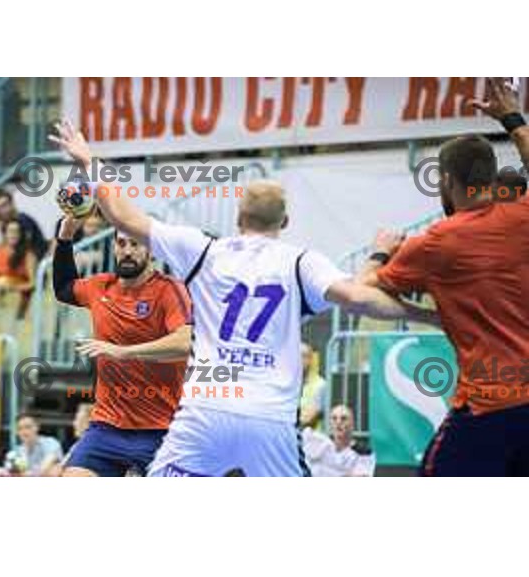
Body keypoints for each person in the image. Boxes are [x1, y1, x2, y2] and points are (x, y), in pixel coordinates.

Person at [51, 121, 438, 477]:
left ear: (238, 217)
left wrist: (88, 161)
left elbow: (124, 217)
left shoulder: (205, 251)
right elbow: (359, 297)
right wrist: (391, 270)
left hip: (206, 411)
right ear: (284, 223)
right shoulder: (301, 261)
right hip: (269, 418)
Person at [360, 78, 529, 476]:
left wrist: (380, 251)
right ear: (491, 176)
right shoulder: (522, 216)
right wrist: (513, 120)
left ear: (446, 182)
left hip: (489, 408)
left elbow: (361, 292)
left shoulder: (436, 243)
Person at [52, 213, 192, 476]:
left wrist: (123, 352)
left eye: (135, 245)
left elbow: (186, 341)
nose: (127, 251)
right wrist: (65, 238)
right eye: (121, 244)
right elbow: (63, 288)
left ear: (152, 251)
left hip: (161, 430)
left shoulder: (170, 290)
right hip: (106, 428)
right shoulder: (101, 287)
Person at [301, 405, 376, 477]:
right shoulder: (318, 442)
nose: (338, 422)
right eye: (334, 418)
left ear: (353, 424)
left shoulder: (363, 453)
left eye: (343, 418)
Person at [0, 219, 36, 312]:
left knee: (3, 281)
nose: (13, 235)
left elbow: (33, 283)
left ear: (21, 234)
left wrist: (13, 287)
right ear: (5, 234)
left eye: (16, 232)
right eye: (10, 231)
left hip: (17, 293)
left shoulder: (28, 255)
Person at [0, 189, 47, 259]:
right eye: (0, 207)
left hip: (37, 260)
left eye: (5, 204)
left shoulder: (23, 220)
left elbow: (27, 247)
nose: (5, 209)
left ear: (11, 204)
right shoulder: (3, 226)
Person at [298, 343, 327, 431]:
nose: (299, 360)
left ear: (311, 360)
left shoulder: (320, 385)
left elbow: (308, 419)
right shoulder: (287, 384)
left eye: (304, 356)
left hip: (311, 439)